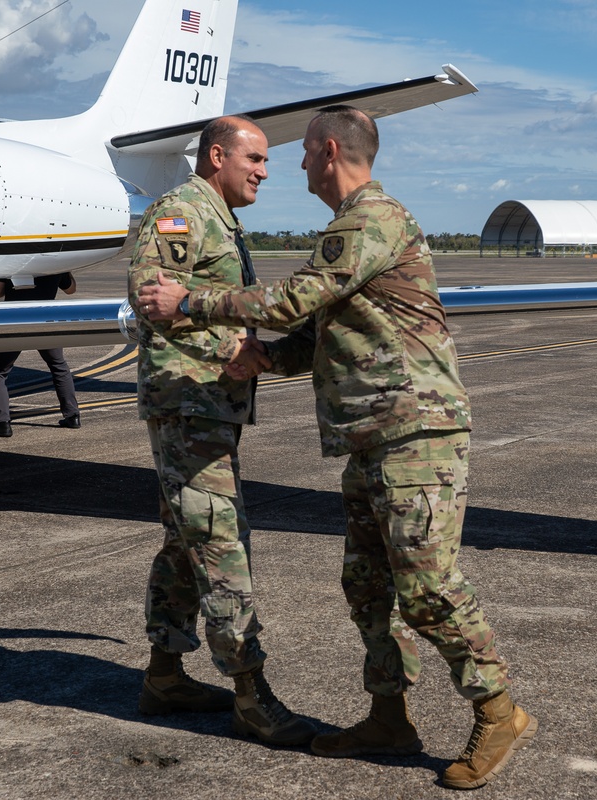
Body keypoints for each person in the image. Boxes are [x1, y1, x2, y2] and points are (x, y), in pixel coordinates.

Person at [138, 105, 537, 789]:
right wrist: (262, 358)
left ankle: (497, 708)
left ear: (328, 151)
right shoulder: (335, 229)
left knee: (429, 589)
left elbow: (295, 299)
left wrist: (193, 305)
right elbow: (315, 333)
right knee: (367, 584)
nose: (284, 168)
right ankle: (389, 716)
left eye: (292, 156)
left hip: (416, 432)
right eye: (257, 158)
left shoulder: (372, 221)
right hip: (373, 435)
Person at [127, 115, 315, 748]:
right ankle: (250, 692)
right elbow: (149, 297)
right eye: (255, 159)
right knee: (218, 539)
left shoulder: (219, 219)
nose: (265, 171)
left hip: (209, 402)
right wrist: (234, 340)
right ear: (217, 156)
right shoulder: (183, 213)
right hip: (189, 402)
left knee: (187, 537)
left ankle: (165, 675)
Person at [0, 273, 81, 437]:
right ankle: (72, 416)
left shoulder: (10, 260)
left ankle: (2, 423)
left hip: (15, 321)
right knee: (58, 367)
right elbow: (71, 289)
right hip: (45, 320)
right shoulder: (54, 261)